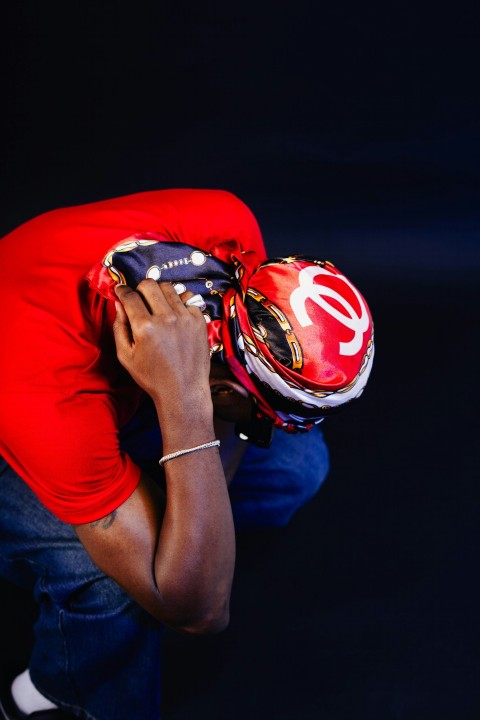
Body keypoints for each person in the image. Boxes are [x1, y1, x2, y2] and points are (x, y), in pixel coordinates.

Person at [0, 189, 374, 720]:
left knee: (298, 466)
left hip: (117, 400)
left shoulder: (229, 229)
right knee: (115, 584)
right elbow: (198, 611)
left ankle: (147, 515)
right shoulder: (44, 388)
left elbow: (229, 401)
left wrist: (195, 409)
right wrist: (185, 403)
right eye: (265, 416)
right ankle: (64, 693)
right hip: (23, 412)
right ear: (228, 393)